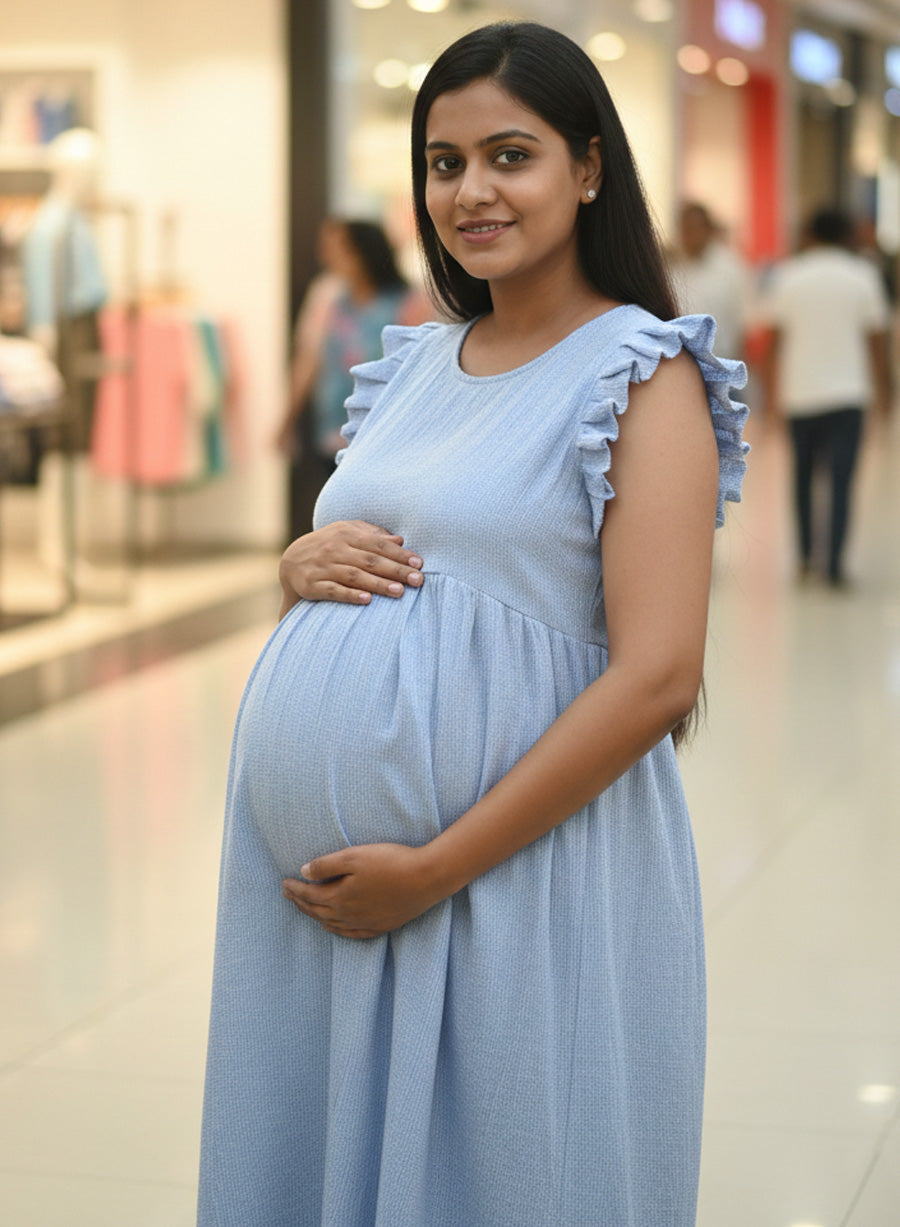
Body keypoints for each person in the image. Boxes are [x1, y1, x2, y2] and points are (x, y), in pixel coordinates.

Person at [198, 21, 748, 1227]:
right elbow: (402, 560)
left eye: (511, 156)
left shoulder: (641, 372)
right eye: (444, 164)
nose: (471, 192)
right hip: (326, 910)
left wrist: (434, 869)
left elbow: (660, 676)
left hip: (504, 879)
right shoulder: (415, 363)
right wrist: (298, 562)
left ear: (588, 168)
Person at [759, 207, 892, 588]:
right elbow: (877, 344)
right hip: (849, 396)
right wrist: (885, 395)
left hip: (801, 395)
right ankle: (833, 566)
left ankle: (805, 560)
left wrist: (770, 399)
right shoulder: (863, 276)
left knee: (802, 479)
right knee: (841, 481)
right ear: (846, 236)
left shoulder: (788, 277)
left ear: (809, 236)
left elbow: (773, 344)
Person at [277, 217, 432, 537]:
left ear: (364, 251)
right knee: (338, 520)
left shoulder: (410, 302)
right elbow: (310, 359)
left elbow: (422, 370)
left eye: (338, 247)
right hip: (334, 427)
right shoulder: (329, 299)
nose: (328, 255)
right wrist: (287, 419)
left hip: (388, 432)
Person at [673, 200, 750, 362]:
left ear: (708, 230)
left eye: (697, 228)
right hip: (683, 361)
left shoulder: (730, 268)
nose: (692, 235)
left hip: (722, 360)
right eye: (687, 229)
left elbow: (745, 321)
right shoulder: (671, 269)